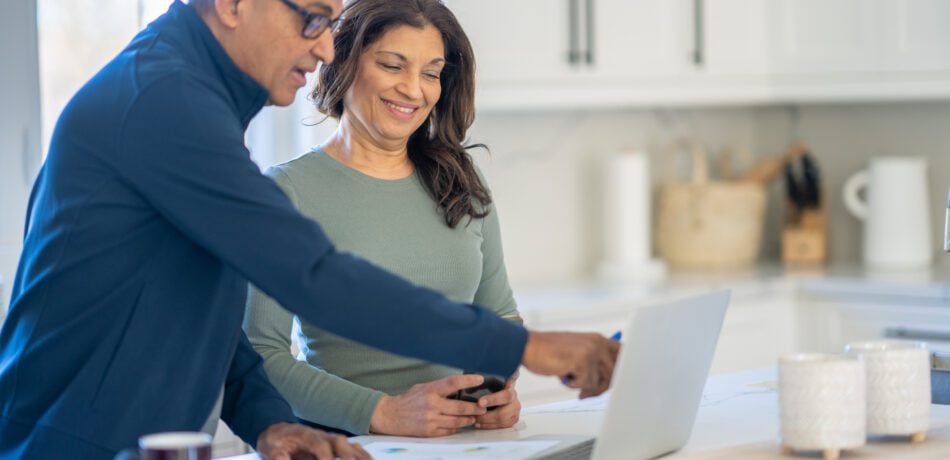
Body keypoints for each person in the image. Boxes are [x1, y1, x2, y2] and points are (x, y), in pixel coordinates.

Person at [0, 0, 619, 458]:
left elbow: (207, 316)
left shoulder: (195, 105)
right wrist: (528, 348)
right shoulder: (164, 103)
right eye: (313, 18)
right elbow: (315, 277)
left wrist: (270, 423)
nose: (325, 48)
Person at [244, 0, 523, 437]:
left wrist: (494, 391)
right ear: (344, 63)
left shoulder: (461, 181)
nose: (414, 90)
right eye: (394, 65)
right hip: (354, 444)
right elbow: (262, 355)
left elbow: (500, 314)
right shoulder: (286, 192)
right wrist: (384, 412)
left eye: (431, 73)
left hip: (466, 444)